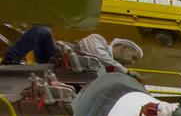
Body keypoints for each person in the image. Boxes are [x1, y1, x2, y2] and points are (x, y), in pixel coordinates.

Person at [3, 26, 143, 70]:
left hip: (59, 74)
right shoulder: (97, 40)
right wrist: (125, 71)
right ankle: (10, 60)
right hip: (54, 55)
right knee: (43, 31)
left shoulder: (113, 70)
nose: (133, 62)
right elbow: (99, 56)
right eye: (134, 57)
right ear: (123, 48)